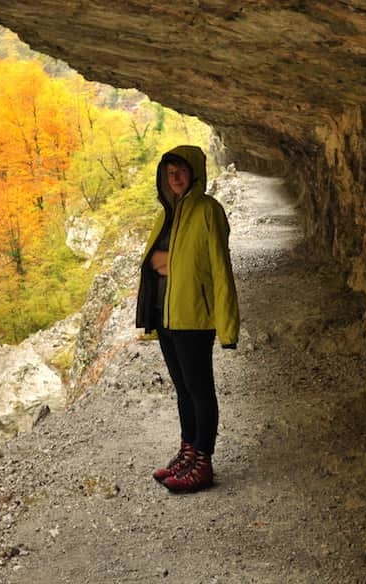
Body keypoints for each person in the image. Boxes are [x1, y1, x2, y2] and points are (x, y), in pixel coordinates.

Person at [135, 145, 239, 493]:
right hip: (167, 315)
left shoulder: (208, 211)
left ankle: (203, 462)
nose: (174, 177)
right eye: (169, 173)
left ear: (193, 172)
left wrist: (227, 325)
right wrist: (160, 262)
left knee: (200, 390)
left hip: (194, 315)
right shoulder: (166, 214)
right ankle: (188, 450)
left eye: (179, 170)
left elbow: (220, 270)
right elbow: (153, 261)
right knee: (183, 390)